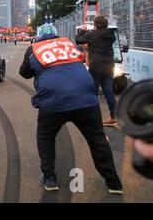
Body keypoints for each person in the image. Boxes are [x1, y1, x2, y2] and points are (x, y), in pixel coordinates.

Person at [19, 24, 123, 195]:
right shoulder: (69, 43)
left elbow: (24, 73)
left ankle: (49, 178)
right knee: (97, 139)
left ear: (38, 36)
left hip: (53, 101)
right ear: (56, 35)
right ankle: (114, 182)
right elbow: (81, 59)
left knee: (45, 137)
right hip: (86, 98)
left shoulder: (34, 48)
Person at [76, 16, 118, 127]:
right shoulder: (111, 35)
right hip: (109, 68)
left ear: (95, 24)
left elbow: (78, 39)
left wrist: (82, 31)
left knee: (92, 93)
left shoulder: (92, 35)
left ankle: (91, 118)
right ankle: (114, 116)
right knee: (109, 92)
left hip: (96, 68)